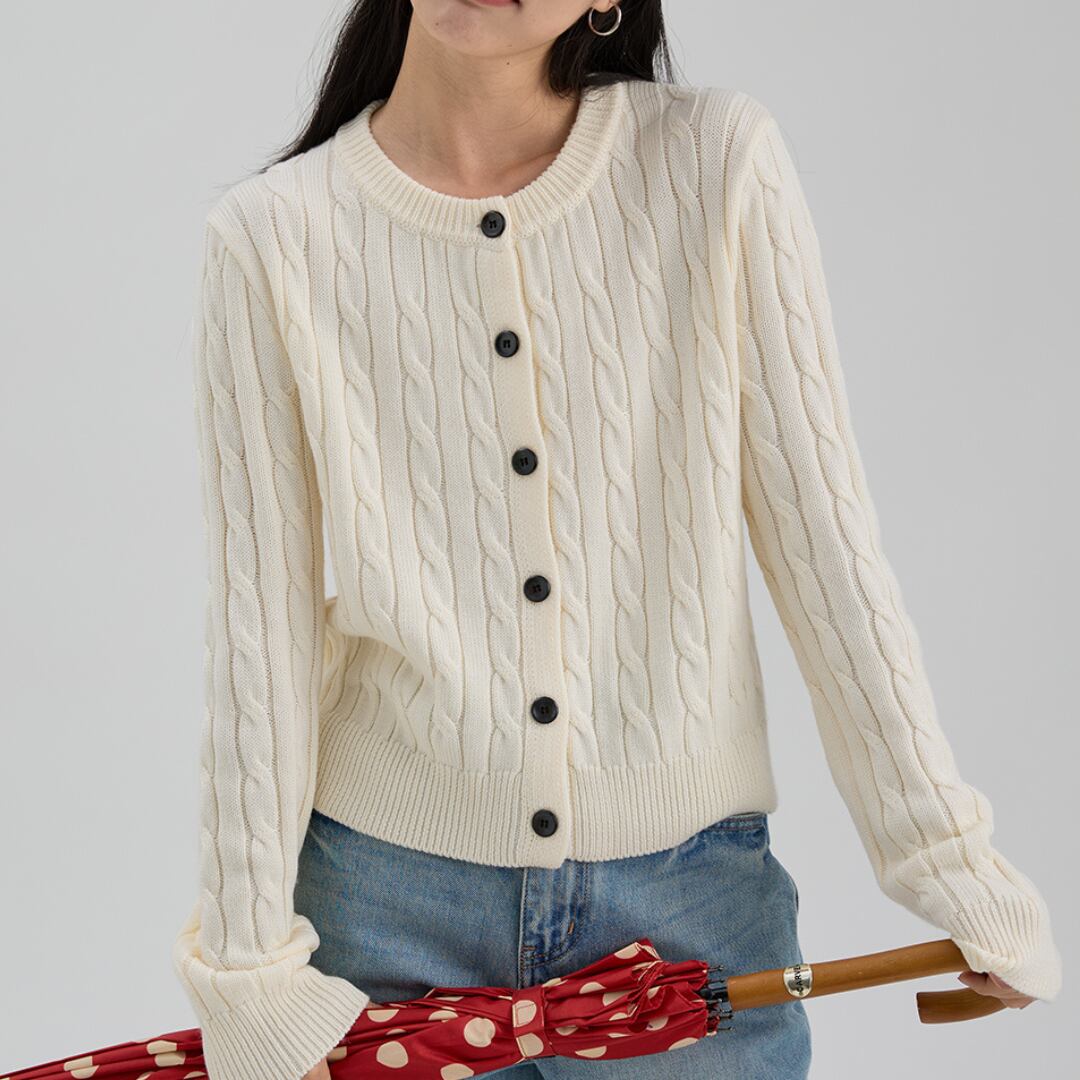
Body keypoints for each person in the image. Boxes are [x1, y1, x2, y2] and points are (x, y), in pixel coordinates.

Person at [170, 2, 1062, 1079]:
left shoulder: (713, 163)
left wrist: (953, 865)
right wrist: (251, 973)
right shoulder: (272, 237)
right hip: (380, 919)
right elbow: (256, 634)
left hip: (691, 919)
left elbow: (826, 547)